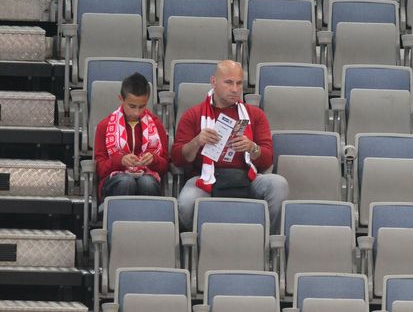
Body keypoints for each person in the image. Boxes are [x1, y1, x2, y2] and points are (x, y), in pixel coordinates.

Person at [172, 60, 289, 231]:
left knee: (278, 184)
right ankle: (196, 244)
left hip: (247, 177)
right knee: (186, 204)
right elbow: (177, 159)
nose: (235, 89)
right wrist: (196, 142)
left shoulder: (255, 115)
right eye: (228, 82)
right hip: (206, 178)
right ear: (214, 82)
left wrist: (251, 147)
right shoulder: (194, 115)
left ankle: (265, 241)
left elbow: (267, 159)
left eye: (239, 83)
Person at [94, 72, 169, 201]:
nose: (137, 112)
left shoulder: (156, 125)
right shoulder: (104, 126)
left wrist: (154, 160)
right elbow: (100, 169)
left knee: (147, 183)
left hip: (147, 176)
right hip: (115, 179)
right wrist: (120, 161)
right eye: (132, 106)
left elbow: (164, 166)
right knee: (126, 181)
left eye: (142, 107)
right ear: (121, 99)